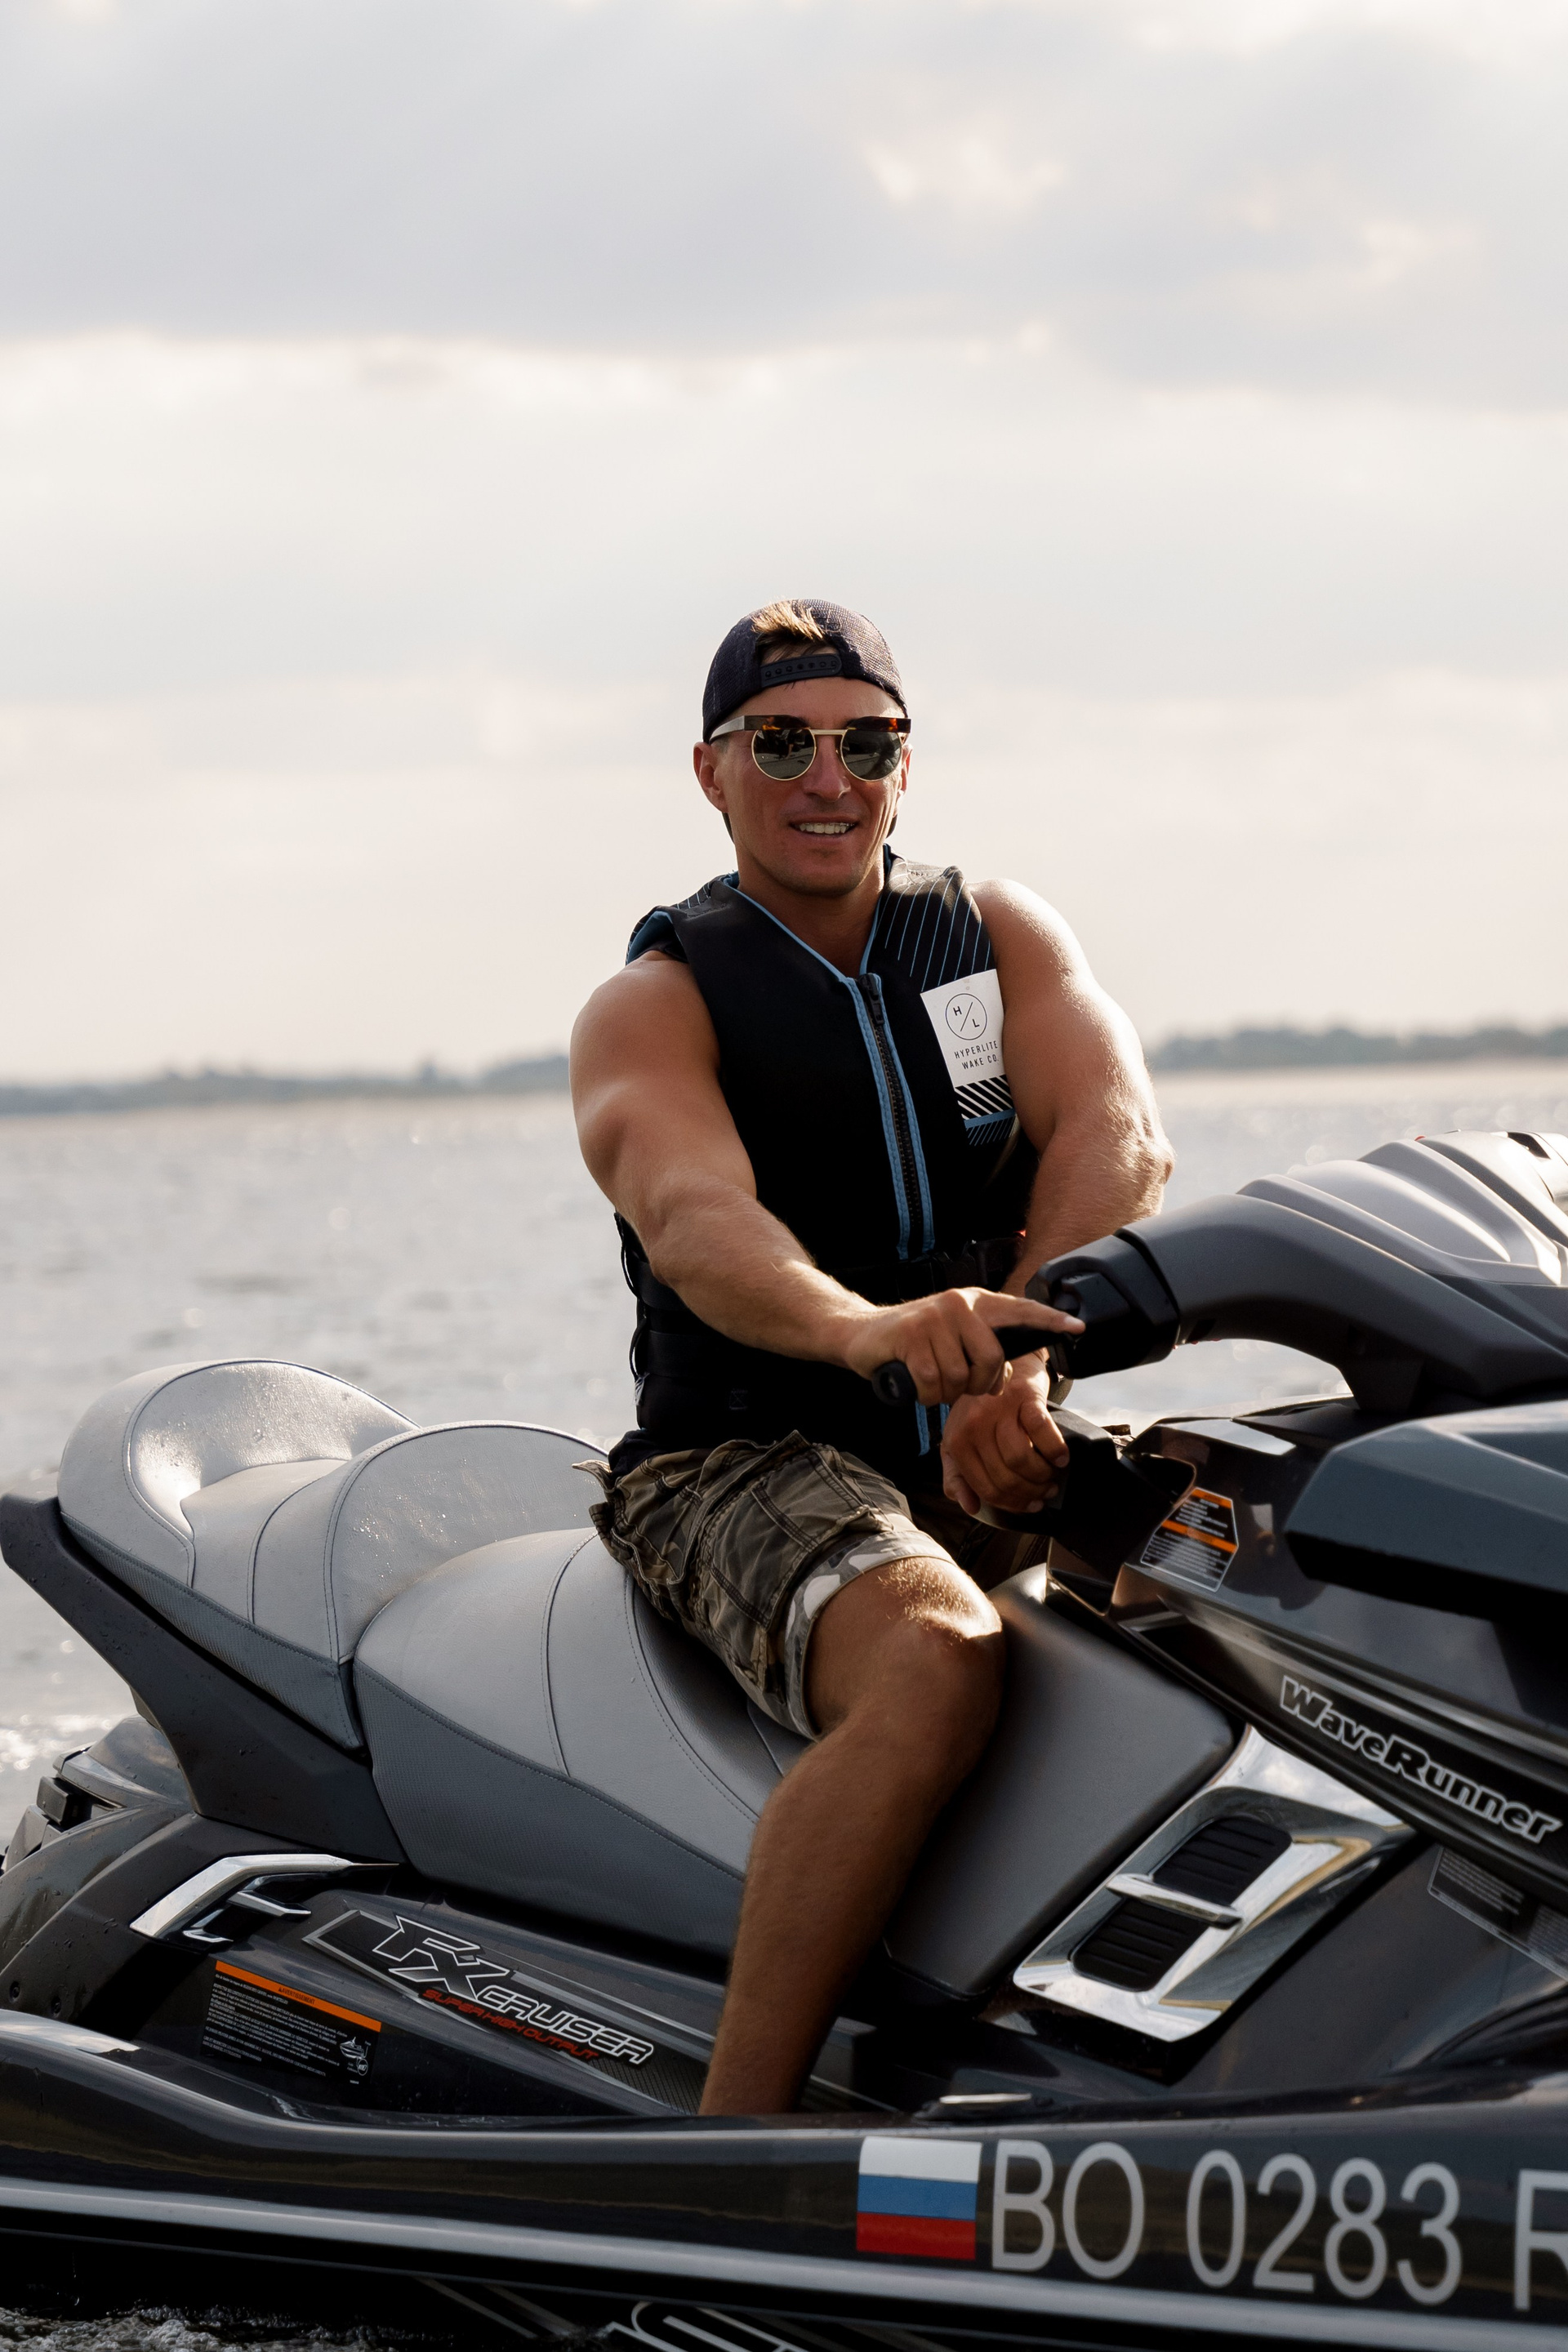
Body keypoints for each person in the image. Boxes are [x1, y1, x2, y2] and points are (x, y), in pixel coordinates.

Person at [570, 599, 1172, 2114]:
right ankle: (727, 2152)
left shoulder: (994, 939)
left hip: (983, 1416)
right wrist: (873, 1337)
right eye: (782, 743)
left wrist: (1019, 1363)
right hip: (738, 1459)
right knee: (935, 1656)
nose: (828, 778)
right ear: (712, 771)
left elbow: (1118, 1134)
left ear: (909, 763)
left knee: (1250, 1579)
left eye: (867, 742)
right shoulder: (654, 1006)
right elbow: (695, 1219)